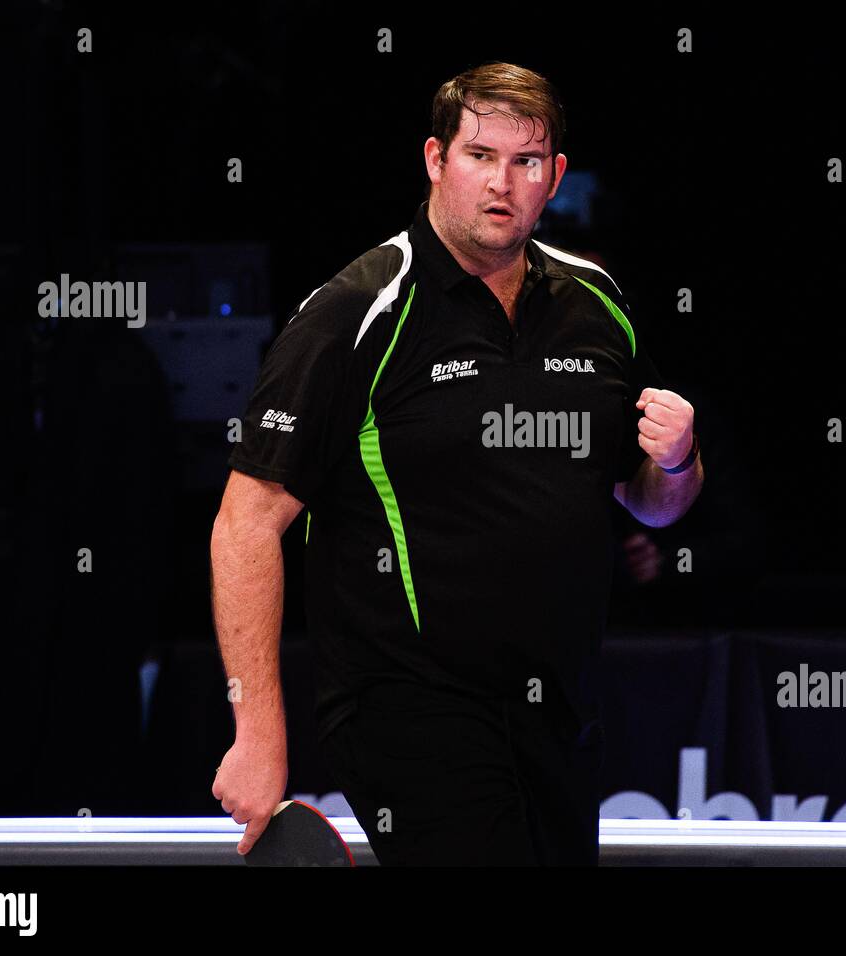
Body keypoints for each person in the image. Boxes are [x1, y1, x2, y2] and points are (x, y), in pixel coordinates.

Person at [210, 62, 703, 865]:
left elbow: (648, 505)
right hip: (408, 702)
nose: (502, 182)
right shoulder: (355, 312)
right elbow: (245, 524)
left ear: (555, 177)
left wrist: (678, 464)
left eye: (526, 161)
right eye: (480, 156)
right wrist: (258, 731)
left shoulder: (597, 302)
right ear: (436, 160)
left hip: (559, 707)